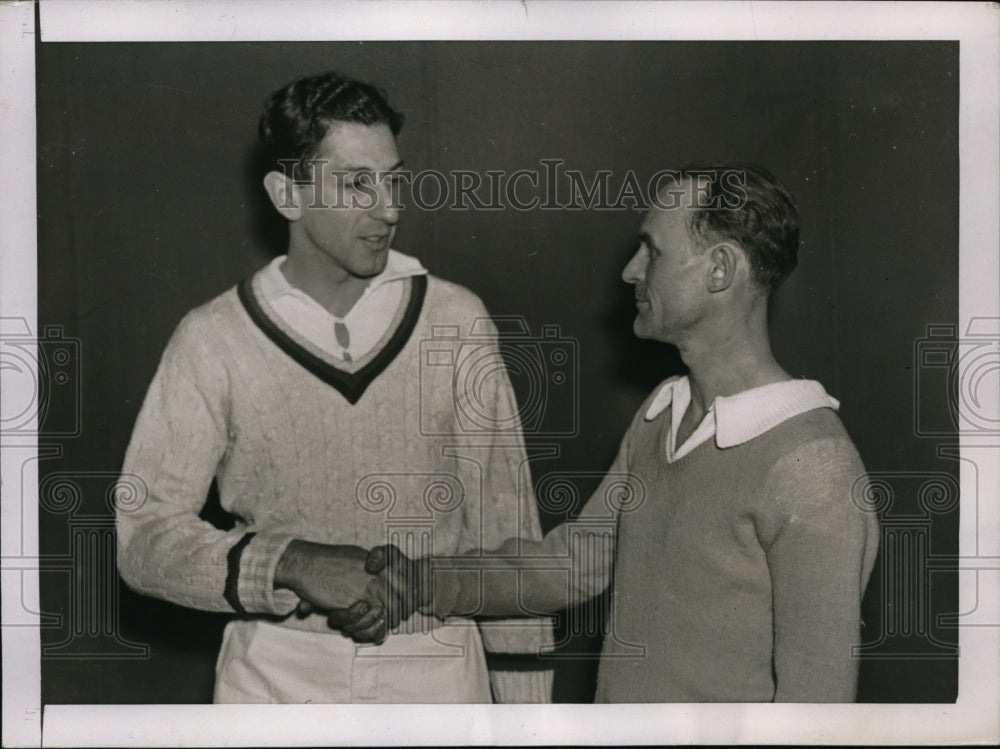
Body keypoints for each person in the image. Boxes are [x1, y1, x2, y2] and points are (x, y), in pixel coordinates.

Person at [115, 71, 552, 704]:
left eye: (393, 178)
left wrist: (526, 716)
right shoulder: (212, 338)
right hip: (276, 675)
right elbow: (143, 538)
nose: (389, 208)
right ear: (287, 194)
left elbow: (509, 531)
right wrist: (290, 562)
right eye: (357, 183)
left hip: (436, 670)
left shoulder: (455, 320)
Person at [402, 163, 880, 702]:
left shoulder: (813, 467)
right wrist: (416, 582)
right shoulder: (662, 413)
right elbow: (575, 563)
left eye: (652, 251)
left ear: (719, 270)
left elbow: (816, 714)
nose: (631, 271)